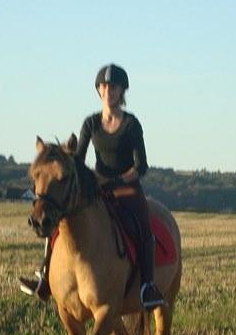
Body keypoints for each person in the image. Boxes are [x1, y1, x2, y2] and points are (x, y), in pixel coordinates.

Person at [20, 63, 165, 310]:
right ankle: (44, 277)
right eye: (105, 86)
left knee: (143, 225)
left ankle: (147, 286)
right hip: (96, 186)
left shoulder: (131, 124)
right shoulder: (90, 124)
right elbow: (78, 159)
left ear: (122, 92)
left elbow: (141, 167)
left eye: (114, 87)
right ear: (99, 90)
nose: (109, 90)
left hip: (127, 188)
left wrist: (118, 180)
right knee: (59, 216)